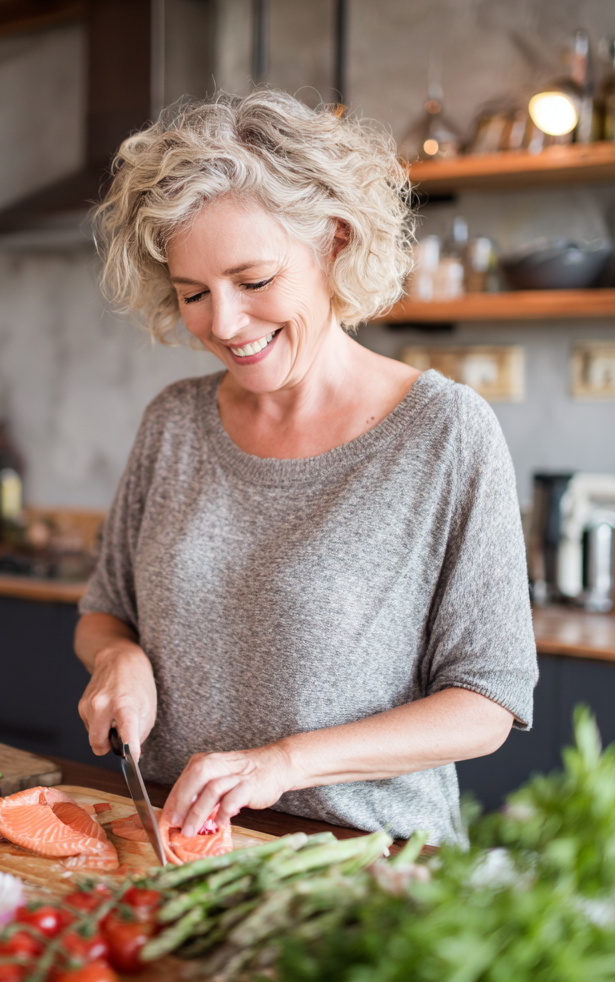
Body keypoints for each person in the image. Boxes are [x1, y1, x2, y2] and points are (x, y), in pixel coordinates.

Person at [75, 90, 537, 846]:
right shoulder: (174, 423)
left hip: (364, 868)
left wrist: (283, 764)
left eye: (253, 282)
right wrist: (117, 656)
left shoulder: (443, 432)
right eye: (194, 293)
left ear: (335, 243)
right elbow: (104, 611)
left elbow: (484, 704)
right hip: (174, 854)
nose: (223, 323)